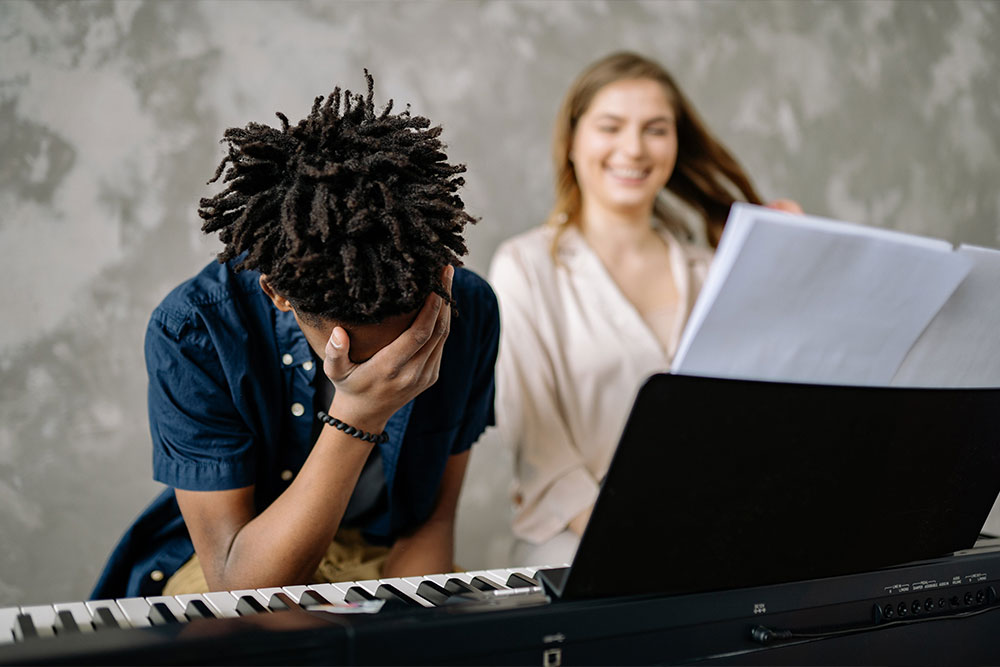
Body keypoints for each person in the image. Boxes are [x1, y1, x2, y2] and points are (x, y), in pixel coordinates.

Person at [92, 72, 499, 598]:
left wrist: (413, 628)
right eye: (348, 351)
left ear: (441, 277)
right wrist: (359, 412)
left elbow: (431, 523)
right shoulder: (195, 330)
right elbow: (240, 585)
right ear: (278, 293)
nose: (384, 368)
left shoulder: (468, 309)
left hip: (379, 554)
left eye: (407, 350)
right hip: (240, 562)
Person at [488, 52, 801, 566]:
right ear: (572, 142)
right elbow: (543, 457)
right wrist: (647, 547)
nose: (633, 148)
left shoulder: (713, 272)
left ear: (676, 145)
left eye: (656, 130)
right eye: (610, 127)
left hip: (712, 539)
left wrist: (781, 261)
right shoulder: (525, 268)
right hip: (578, 546)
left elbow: (764, 416)